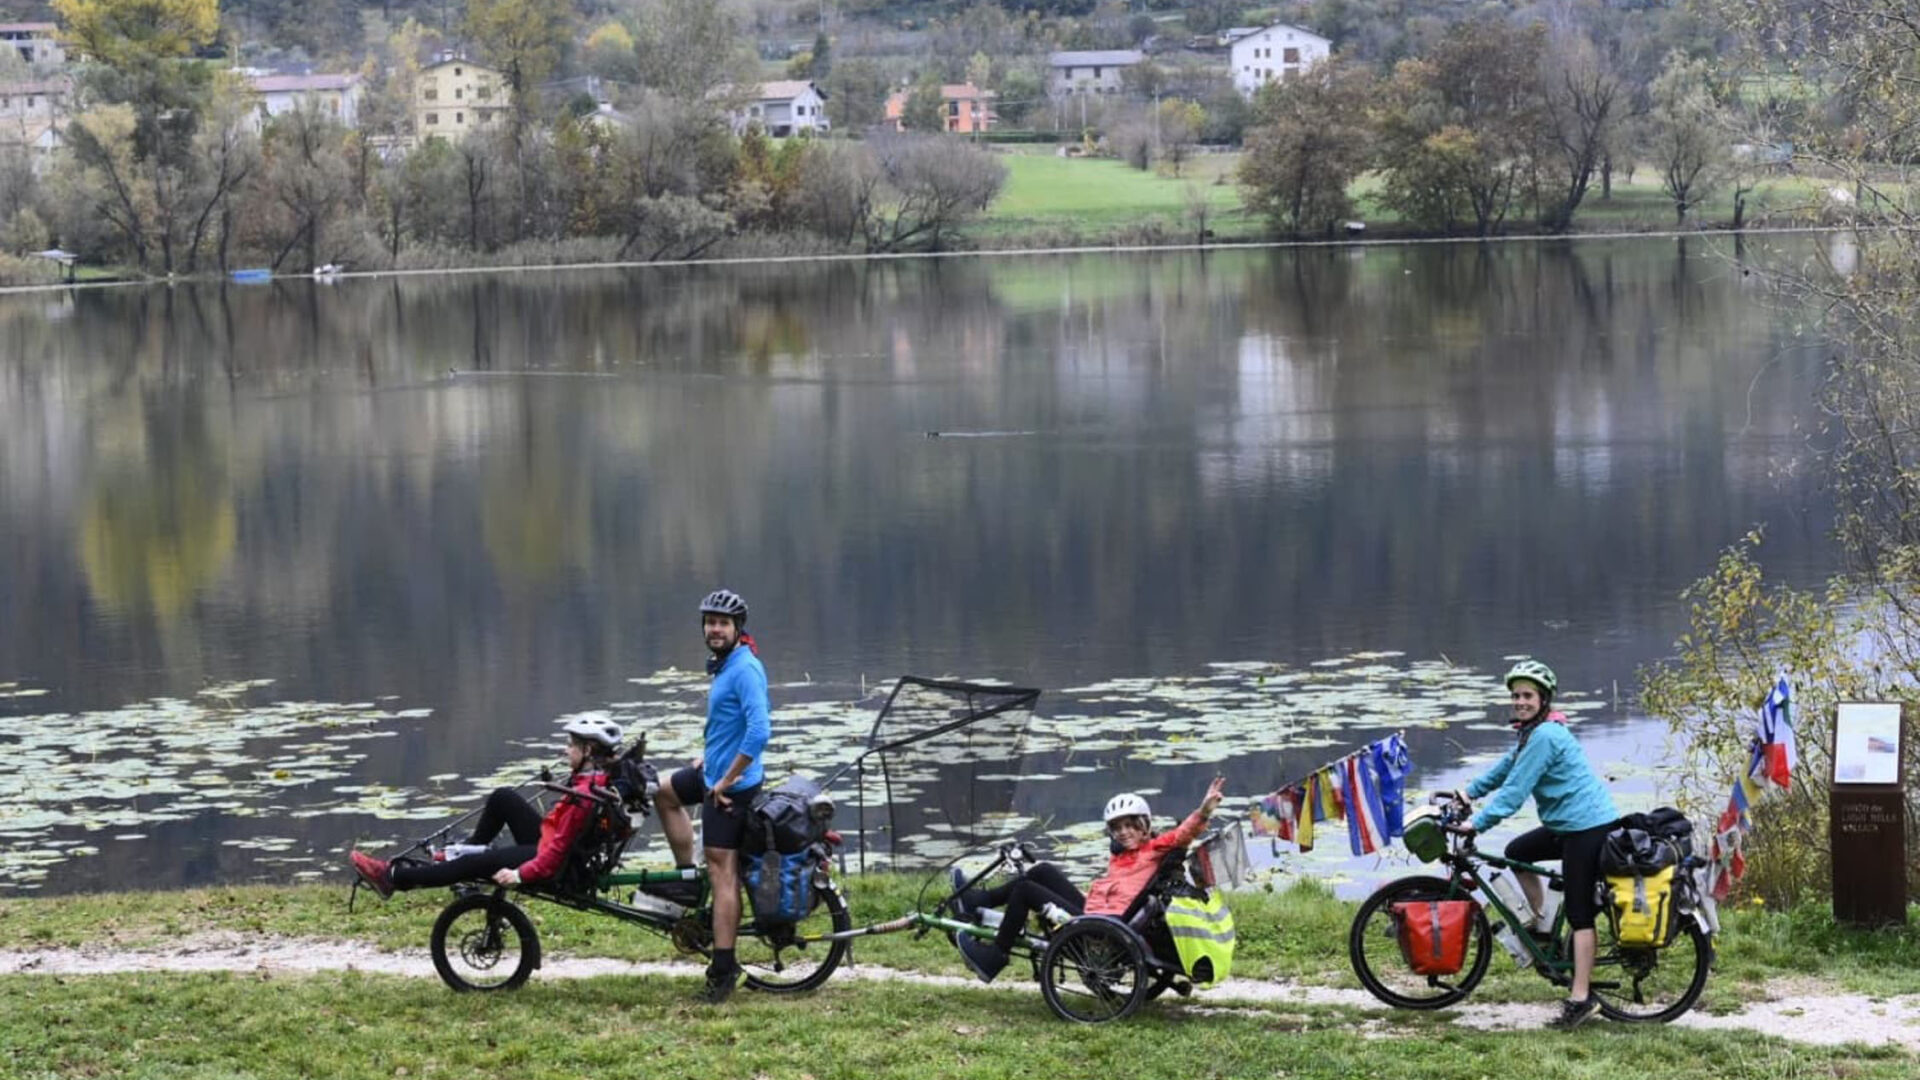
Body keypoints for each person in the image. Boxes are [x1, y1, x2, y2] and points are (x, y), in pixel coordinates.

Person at [1454, 659, 1619, 1031]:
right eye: (1516, 695)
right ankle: (1543, 927)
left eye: (1527, 695)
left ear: (1543, 699)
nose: (1520, 701)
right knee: (1518, 853)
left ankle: (1582, 998)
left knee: (1580, 915)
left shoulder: (1545, 736)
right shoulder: (1535, 732)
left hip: (1587, 828)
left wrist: (1475, 824)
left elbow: (1514, 792)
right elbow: (1505, 769)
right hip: (1568, 825)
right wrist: (1467, 792)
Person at [949, 776, 1226, 983]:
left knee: (1025, 890)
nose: (1124, 832)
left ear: (1145, 827)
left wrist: (1204, 812)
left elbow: (1182, 835)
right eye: (1117, 828)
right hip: (1099, 914)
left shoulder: (1153, 849)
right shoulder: (1121, 857)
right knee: (1042, 871)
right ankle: (976, 902)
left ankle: (994, 957)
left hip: (1104, 927)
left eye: (1131, 825)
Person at [650, 587, 771, 1004]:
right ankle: (687, 878)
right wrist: (708, 759)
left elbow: (759, 732)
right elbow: (729, 723)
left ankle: (724, 968)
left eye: (723, 623)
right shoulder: (725, 665)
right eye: (710, 622)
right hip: (713, 775)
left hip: (731, 791)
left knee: (724, 873)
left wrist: (725, 780)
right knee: (663, 794)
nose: (715, 629)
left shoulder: (745, 669)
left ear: (738, 628)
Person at [349, 717, 624, 896]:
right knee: (502, 797)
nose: (566, 750)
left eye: (571, 746)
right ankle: (464, 854)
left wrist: (519, 873)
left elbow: (555, 856)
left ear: (588, 751)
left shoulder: (584, 797)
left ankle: (394, 877)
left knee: (472, 865)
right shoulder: (596, 780)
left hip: (551, 863)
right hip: (551, 845)